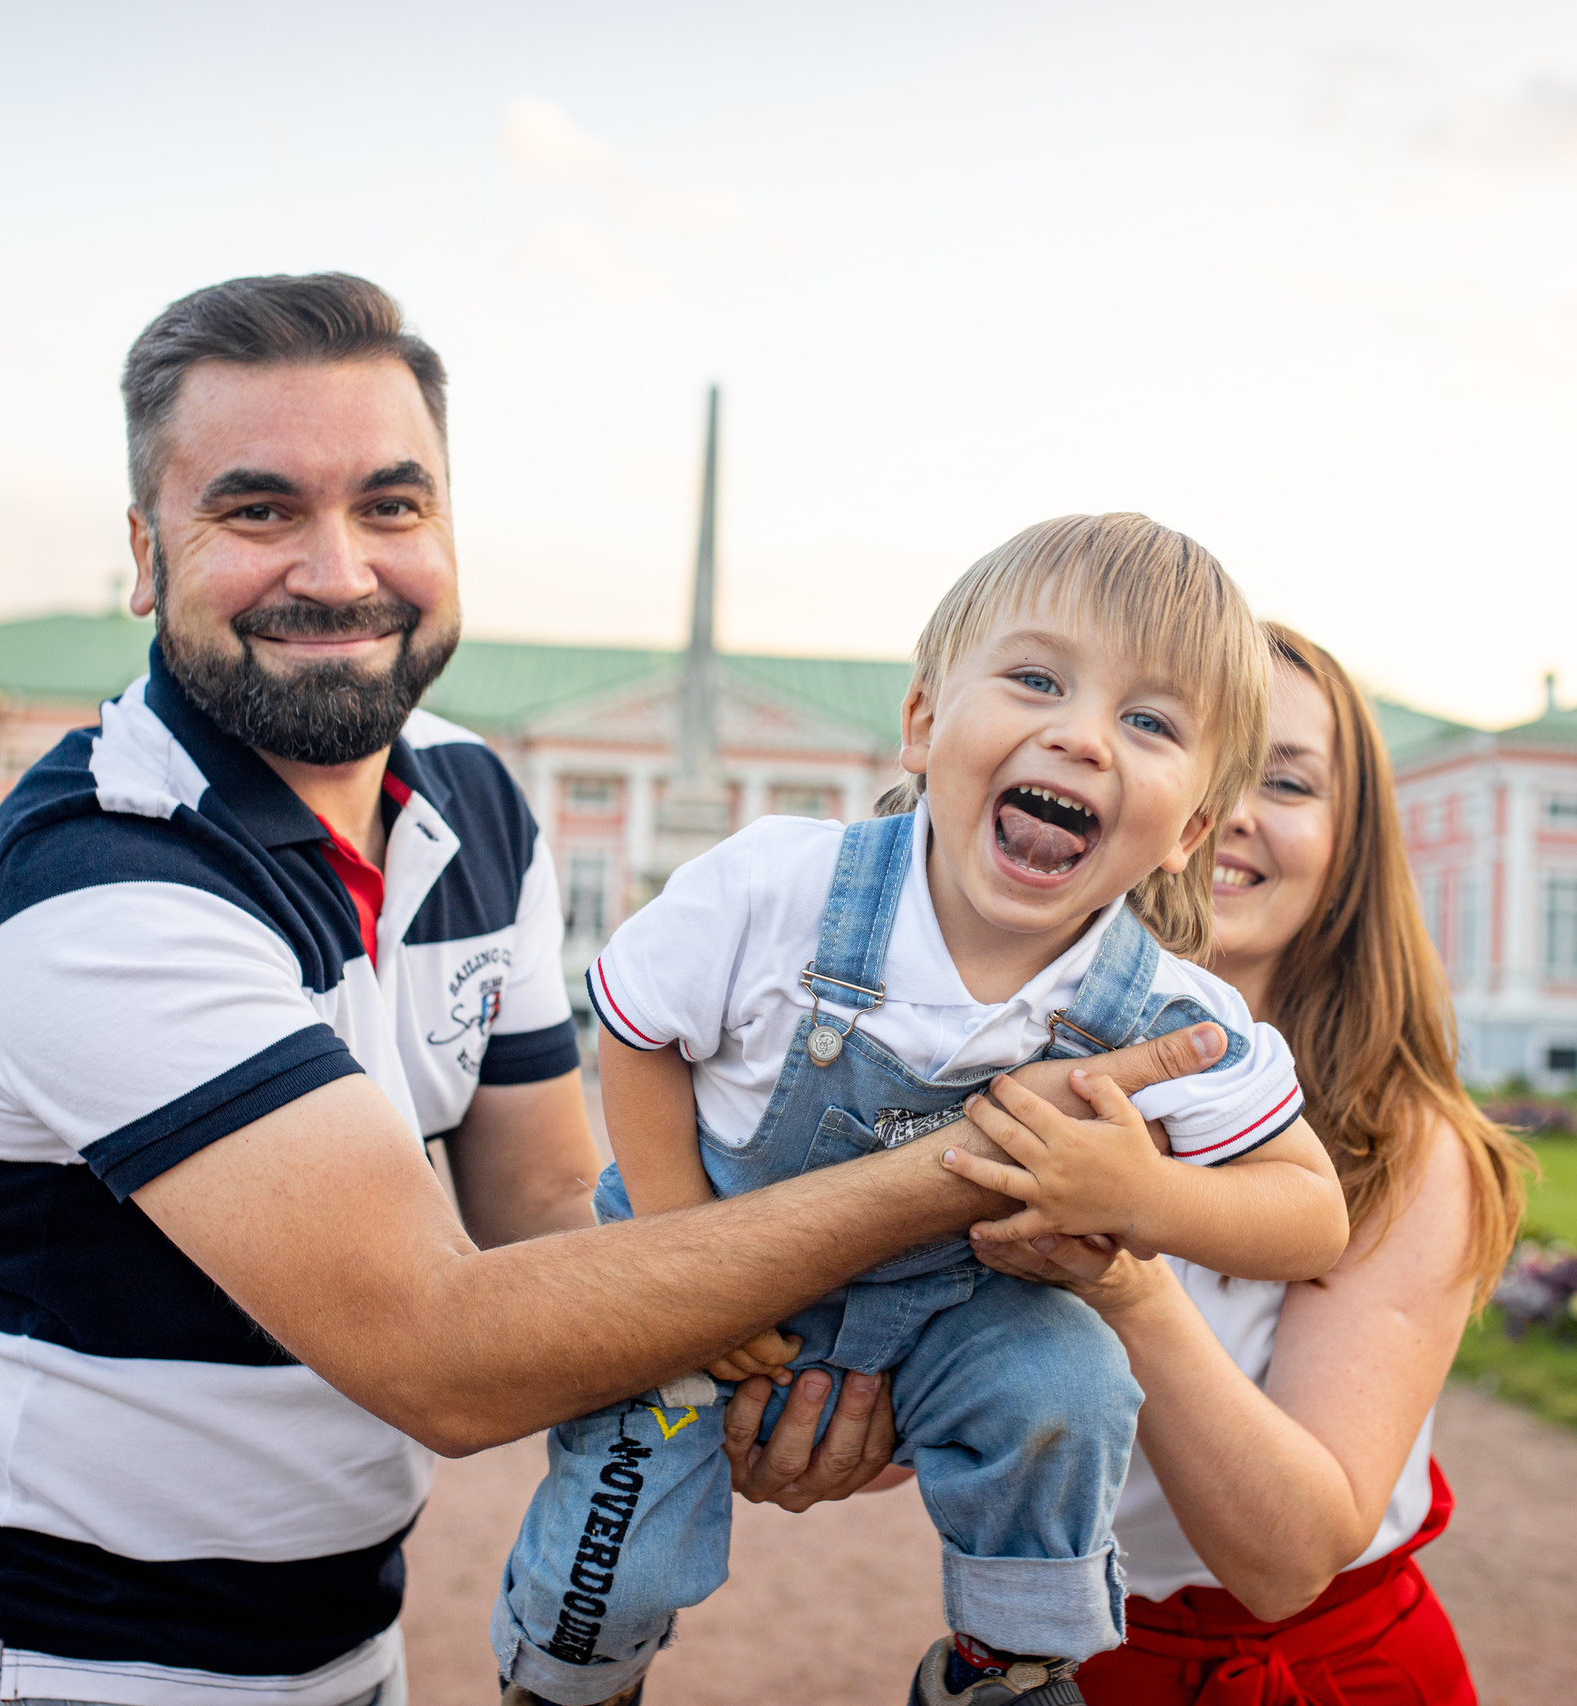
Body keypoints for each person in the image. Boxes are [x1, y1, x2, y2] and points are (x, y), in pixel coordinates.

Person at [0, 273, 1224, 1706]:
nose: (339, 570)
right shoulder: (98, 881)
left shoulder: (469, 798)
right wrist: (979, 1164)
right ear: (145, 553)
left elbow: (554, 1215)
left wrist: (783, 1359)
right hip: (68, 1658)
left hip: (337, 1635)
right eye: (258, 511)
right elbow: (443, 1349)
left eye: (393, 506)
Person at [496, 517, 1353, 1706]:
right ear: (923, 723)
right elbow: (638, 1036)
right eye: (1038, 679)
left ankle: (1006, 1663)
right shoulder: (781, 884)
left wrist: (1145, 1195)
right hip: (707, 1250)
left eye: (1148, 721)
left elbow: (1312, 1217)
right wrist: (682, 1254)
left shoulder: (1166, 1006)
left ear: (1192, 830)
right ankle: (572, 1671)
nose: (1081, 733)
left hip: (958, 1316)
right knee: (625, 1505)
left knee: (1068, 1386)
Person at [958, 624, 1536, 1706]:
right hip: (1048, 1661)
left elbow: (1285, 1562)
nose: (1230, 809)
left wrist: (1122, 1262)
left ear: (1350, 839)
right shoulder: (1010, 1074)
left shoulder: (1405, 1143)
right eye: (1195, 751)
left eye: (1286, 779)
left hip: (1315, 1675)